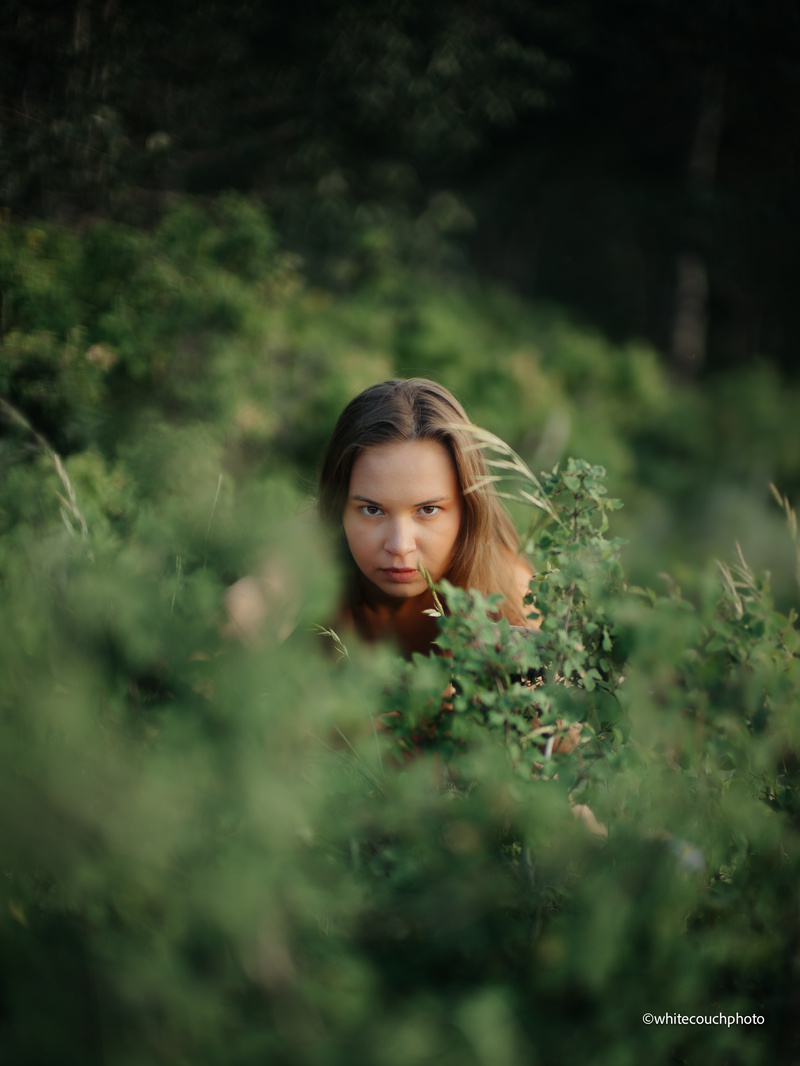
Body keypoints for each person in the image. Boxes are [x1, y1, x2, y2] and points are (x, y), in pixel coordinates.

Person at [317, 378, 538, 659]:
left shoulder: (509, 590)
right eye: (372, 510)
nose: (399, 546)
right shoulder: (306, 558)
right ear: (338, 508)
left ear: (468, 510)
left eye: (428, 510)